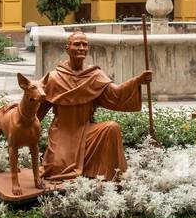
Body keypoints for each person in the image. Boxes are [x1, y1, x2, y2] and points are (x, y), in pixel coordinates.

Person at [37, 31, 152, 185]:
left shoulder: (95, 75)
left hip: (86, 130)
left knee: (111, 128)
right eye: (77, 44)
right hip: (62, 133)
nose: (81, 48)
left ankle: (112, 176)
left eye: (85, 45)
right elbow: (37, 110)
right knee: (56, 168)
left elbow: (116, 95)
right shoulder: (53, 78)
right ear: (67, 48)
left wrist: (137, 81)